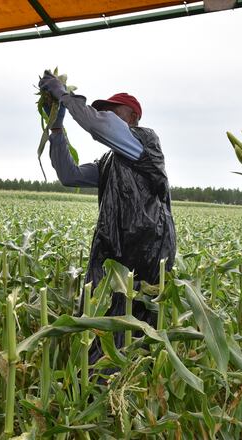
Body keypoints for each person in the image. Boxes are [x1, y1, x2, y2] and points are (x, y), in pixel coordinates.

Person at [38, 71, 176, 362]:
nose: (107, 115)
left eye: (114, 111)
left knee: (134, 330)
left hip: (144, 255)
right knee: (104, 325)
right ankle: (100, 384)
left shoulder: (145, 140)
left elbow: (99, 127)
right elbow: (69, 175)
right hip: (114, 256)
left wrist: (64, 96)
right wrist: (57, 131)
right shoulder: (109, 160)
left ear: (133, 117)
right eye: (105, 111)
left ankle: (129, 385)